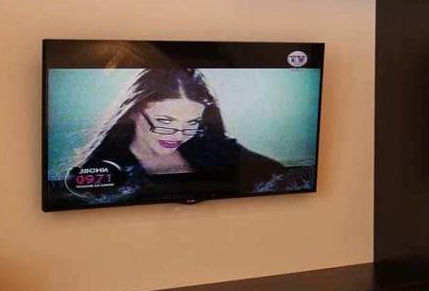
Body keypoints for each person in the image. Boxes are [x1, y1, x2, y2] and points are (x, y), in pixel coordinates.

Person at [67, 68, 309, 203]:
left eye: (191, 124)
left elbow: (282, 175)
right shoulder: (97, 169)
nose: (178, 135)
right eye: (165, 122)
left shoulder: (211, 146)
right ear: (132, 112)